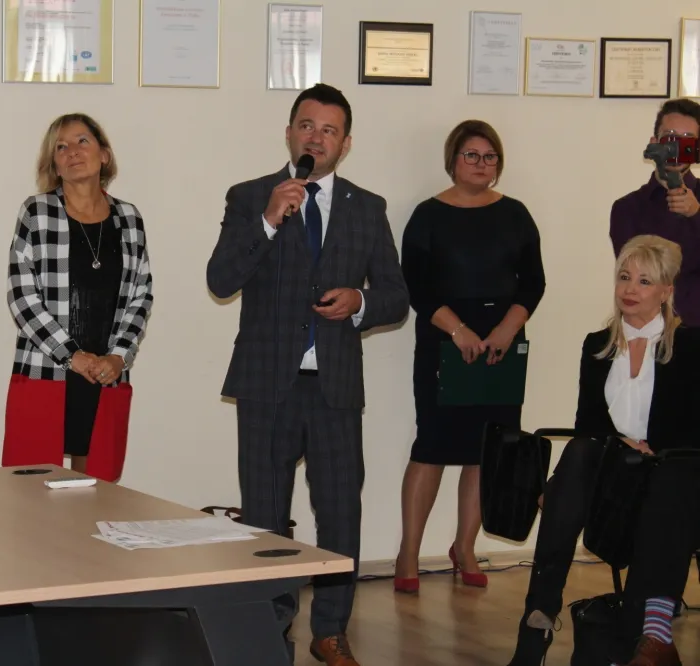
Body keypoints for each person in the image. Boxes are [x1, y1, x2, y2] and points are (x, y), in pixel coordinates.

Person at [205, 83, 409, 666]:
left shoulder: (367, 208)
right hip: (266, 383)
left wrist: (360, 303)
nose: (315, 138)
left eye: (328, 130)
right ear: (289, 132)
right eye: (306, 126)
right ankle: (270, 632)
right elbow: (221, 279)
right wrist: (269, 222)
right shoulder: (251, 197)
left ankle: (330, 631)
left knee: (340, 511)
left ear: (345, 143)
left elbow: (396, 296)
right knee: (265, 516)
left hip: (335, 387)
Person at [507, 235, 700, 666]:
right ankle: (539, 614)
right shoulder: (597, 344)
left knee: (671, 478)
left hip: (671, 470)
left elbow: (692, 430)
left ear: (666, 291)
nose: (629, 289)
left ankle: (650, 632)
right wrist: (620, 444)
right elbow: (588, 424)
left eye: (644, 281)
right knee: (579, 453)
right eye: (624, 277)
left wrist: (651, 449)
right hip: (615, 469)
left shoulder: (690, 347)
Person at [395, 120, 546, 593]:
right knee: (433, 447)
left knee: (487, 451)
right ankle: (408, 552)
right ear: (453, 160)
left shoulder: (516, 214)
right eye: (472, 155)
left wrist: (506, 330)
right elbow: (417, 286)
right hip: (445, 343)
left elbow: (533, 282)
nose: (482, 164)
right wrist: (459, 331)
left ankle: (465, 546)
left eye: (490, 156)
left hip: (502, 347)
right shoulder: (427, 215)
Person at [3, 113, 153, 478]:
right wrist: (72, 356)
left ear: (104, 154)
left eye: (82, 141)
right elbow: (22, 297)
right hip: (48, 370)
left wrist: (119, 357)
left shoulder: (129, 218)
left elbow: (141, 295)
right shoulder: (36, 212)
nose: (72, 151)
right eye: (61, 147)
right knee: (30, 495)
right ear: (54, 165)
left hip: (105, 375)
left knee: (98, 493)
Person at [611, 98, 700, 326]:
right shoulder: (627, 209)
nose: (676, 148)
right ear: (654, 142)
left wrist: (696, 215)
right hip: (645, 330)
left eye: (686, 140)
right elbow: (639, 274)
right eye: (670, 138)